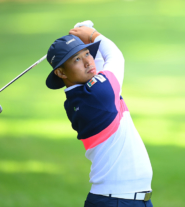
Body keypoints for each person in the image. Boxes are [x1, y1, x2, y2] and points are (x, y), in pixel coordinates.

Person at [45, 20, 153, 207]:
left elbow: (98, 69)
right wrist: (93, 34)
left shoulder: (78, 98)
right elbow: (116, 57)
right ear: (61, 72)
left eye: (88, 53)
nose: (88, 61)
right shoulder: (98, 94)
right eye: (77, 59)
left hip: (122, 199)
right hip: (117, 201)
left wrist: (82, 38)